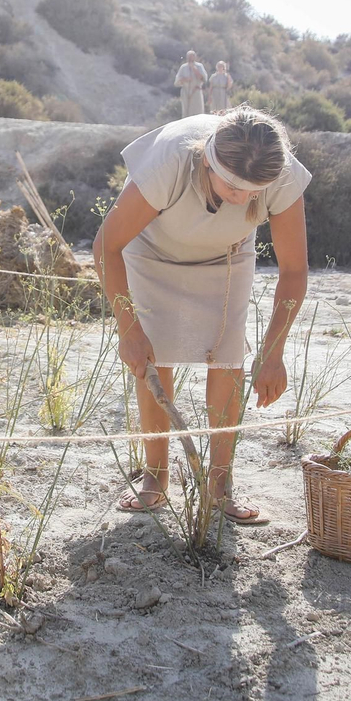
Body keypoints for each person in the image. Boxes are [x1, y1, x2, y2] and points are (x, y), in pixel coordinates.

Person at [93, 106, 311, 525]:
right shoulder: (172, 158)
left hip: (226, 256)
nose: (243, 199)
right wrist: (129, 328)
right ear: (207, 160)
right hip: (151, 251)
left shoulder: (281, 173)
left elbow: (294, 270)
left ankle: (220, 484)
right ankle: (156, 477)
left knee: (228, 358)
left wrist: (273, 352)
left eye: (254, 192)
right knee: (155, 359)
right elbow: (106, 246)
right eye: (233, 187)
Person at [174, 51, 208, 118]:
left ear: (195, 57)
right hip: (186, 92)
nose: (190, 58)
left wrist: (194, 69)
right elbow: (176, 82)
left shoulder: (199, 66)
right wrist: (185, 79)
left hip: (196, 91)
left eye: (192, 56)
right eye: (189, 57)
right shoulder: (183, 67)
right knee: (186, 113)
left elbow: (204, 79)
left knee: (198, 112)